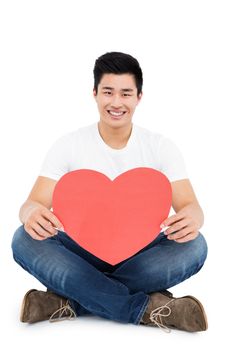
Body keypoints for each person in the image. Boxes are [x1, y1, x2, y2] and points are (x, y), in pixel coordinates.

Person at [11, 51, 208, 332]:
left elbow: (191, 207)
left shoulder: (161, 147)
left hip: (141, 254)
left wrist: (192, 218)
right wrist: (31, 213)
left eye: (126, 93)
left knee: (195, 245)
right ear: (94, 94)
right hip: (79, 252)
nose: (116, 102)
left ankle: (70, 301)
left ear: (139, 97)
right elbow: (31, 204)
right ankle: (146, 309)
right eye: (108, 92)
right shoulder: (69, 145)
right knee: (23, 239)